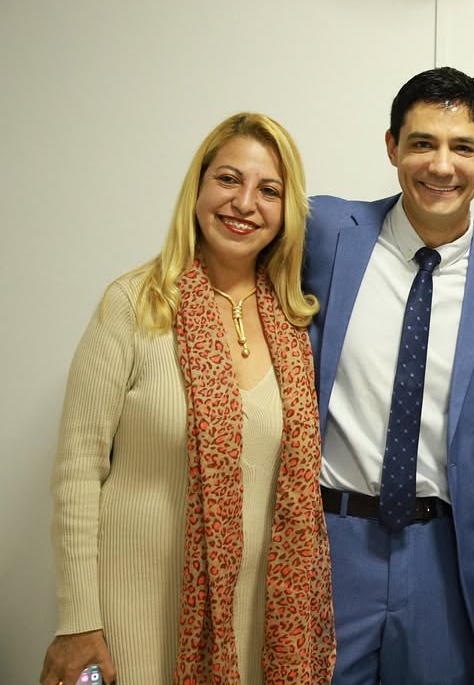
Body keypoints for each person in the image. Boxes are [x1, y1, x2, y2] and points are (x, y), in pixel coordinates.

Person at [39, 113, 335, 685]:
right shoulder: (135, 305)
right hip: (130, 619)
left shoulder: (294, 322)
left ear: (286, 212)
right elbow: (77, 471)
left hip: (259, 627)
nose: (244, 203)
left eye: (268, 190)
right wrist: (79, 621)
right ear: (197, 188)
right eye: (228, 179)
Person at [303, 67, 474, 685]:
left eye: (462, 147)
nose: (441, 166)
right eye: (422, 143)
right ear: (392, 147)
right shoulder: (323, 232)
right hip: (325, 541)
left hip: (442, 554)